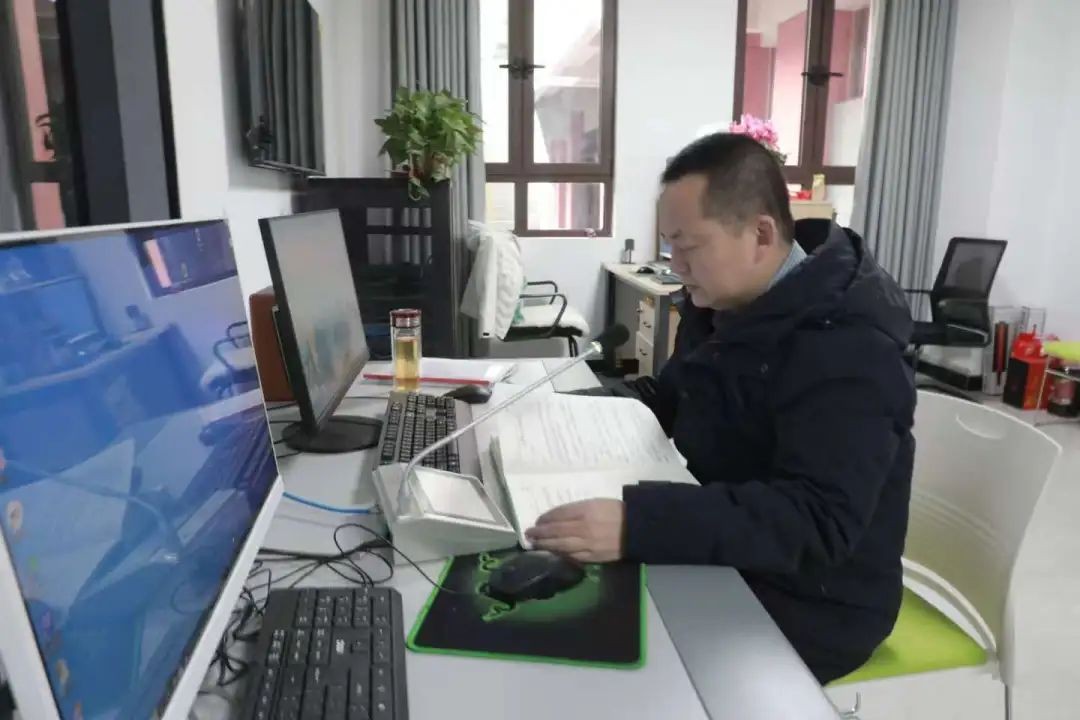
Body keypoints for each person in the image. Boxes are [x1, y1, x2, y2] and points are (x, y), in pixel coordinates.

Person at [525, 133, 916, 684]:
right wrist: (563, 412)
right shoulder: (728, 304)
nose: (676, 264)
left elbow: (816, 520)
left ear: (761, 234)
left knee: (608, 665)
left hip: (816, 600)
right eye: (670, 245)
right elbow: (672, 396)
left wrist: (638, 524)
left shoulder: (849, 345)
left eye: (689, 246)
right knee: (557, 607)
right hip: (732, 546)